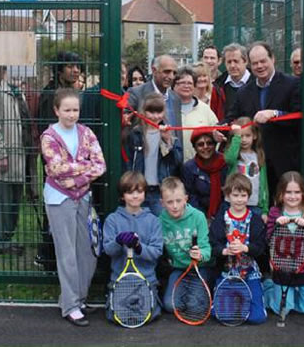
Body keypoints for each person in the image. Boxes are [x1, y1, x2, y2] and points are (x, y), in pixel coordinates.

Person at [40, 88, 106, 326]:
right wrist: (85, 166)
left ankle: (79, 297)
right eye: (66, 110)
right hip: (59, 199)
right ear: (56, 110)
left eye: (75, 109)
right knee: (66, 252)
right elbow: (56, 169)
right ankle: (70, 304)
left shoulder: (86, 132)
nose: (71, 114)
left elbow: (100, 165)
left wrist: (77, 174)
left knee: (87, 251)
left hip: (83, 197)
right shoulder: (48, 137)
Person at [223, 41, 301, 198]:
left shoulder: (292, 84)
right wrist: (221, 129)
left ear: (273, 59)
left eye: (263, 61)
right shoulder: (244, 92)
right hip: (254, 162)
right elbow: (232, 118)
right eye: (255, 63)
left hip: (284, 161)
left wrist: (275, 114)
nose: (259, 66)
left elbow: (299, 116)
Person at [35, 51, 83, 270]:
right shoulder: (50, 94)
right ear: (59, 69)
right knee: (54, 206)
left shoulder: (71, 92)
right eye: (70, 66)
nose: (75, 70)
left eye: (78, 66)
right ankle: (47, 255)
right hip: (55, 161)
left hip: (73, 159)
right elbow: (45, 128)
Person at [0, 67, 32, 256]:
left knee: (14, 202)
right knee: (4, 202)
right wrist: (0, 154)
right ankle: (1, 243)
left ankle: (7, 239)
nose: (19, 76)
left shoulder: (19, 94)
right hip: (4, 160)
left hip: (20, 158)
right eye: (14, 72)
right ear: (4, 72)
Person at [103, 171, 163, 321]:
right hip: (120, 280)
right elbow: (108, 250)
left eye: (139, 191)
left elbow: (157, 252)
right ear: (122, 196)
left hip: (146, 280)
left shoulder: (153, 221)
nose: (135, 196)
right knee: (114, 318)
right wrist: (118, 241)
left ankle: (153, 302)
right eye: (130, 192)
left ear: (145, 193)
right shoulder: (112, 220)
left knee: (148, 317)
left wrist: (138, 247)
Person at [209, 173, 268, 324]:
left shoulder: (255, 220)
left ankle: (253, 297)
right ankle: (235, 300)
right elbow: (213, 244)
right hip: (227, 273)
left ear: (248, 196)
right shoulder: (221, 219)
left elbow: (261, 248)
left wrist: (245, 248)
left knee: (257, 318)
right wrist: (225, 251)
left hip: (249, 273)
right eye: (235, 195)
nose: (239, 199)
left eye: (243, 195)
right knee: (220, 316)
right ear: (228, 196)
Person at [263, 171, 304, 317]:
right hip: (282, 270)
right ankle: (268, 288)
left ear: (302, 193)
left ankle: (292, 296)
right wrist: (276, 226)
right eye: (288, 192)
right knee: (282, 310)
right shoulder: (274, 212)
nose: (293, 196)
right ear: (281, 194)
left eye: (297, 192)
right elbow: (267, 242)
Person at [123, 93, 182, 216]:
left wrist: (167, 141)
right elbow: (127, 161)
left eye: (159, 112)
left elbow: (177, 162)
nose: (155, 116)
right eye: (151, 112)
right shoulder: (135, 134)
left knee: (160, 224)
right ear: (143, 111)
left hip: (159, 190)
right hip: (138, 189)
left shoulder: (168, 133)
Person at [159, 176, 211, 313]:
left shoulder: (198, 217)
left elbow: (207, 249)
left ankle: (199, 292)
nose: (175, 206)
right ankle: (186, 292)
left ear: (186, 199)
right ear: (162, 203)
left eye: (178, 201)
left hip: (199, 267)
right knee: (170, 306)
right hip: (178, 268)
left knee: (195, 309)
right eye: (169, 202)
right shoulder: (160, 221)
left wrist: (200, 255)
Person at [127, 55, 182, 149]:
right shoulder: (136, 94)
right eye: (167, 72)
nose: (171, 76)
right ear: (154, 70)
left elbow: (177, 134)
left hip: (171, 159)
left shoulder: (175, 98)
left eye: (174, 73)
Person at [225, 118, 269, 222]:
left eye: (247, 135)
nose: (243, 139)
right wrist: (236, 136)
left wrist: (265, 210)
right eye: (241, 136)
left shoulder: (259, 156)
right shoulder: (234, 155)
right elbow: (229, 159)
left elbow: (264, 185)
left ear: (255, 136)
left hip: (254, 205)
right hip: (234, 204)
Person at [172, 67, 218, 162]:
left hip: (199, 165)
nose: (186, 86)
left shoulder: (204, 109)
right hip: (171, 164)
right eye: (182, 83)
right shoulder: (167, 108)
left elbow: (216, 133)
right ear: (173, 86)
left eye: (190, 83)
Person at [181, 129, 227, 219]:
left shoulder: (225, 163)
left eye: (209, 143)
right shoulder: (188, 168)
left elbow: (229, 194)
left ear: (215, 145)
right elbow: (190, 196)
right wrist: (202, 218)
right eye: (200, 144)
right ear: (194, 147)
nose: (205, 147)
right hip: (198, 215)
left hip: (224, 213)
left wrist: (220, 218)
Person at [215, 43, 253, 115]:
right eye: (229, 62)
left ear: (245, 61)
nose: (232, 65)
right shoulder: (218, 86)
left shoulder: (258, 83)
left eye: (236, 61)